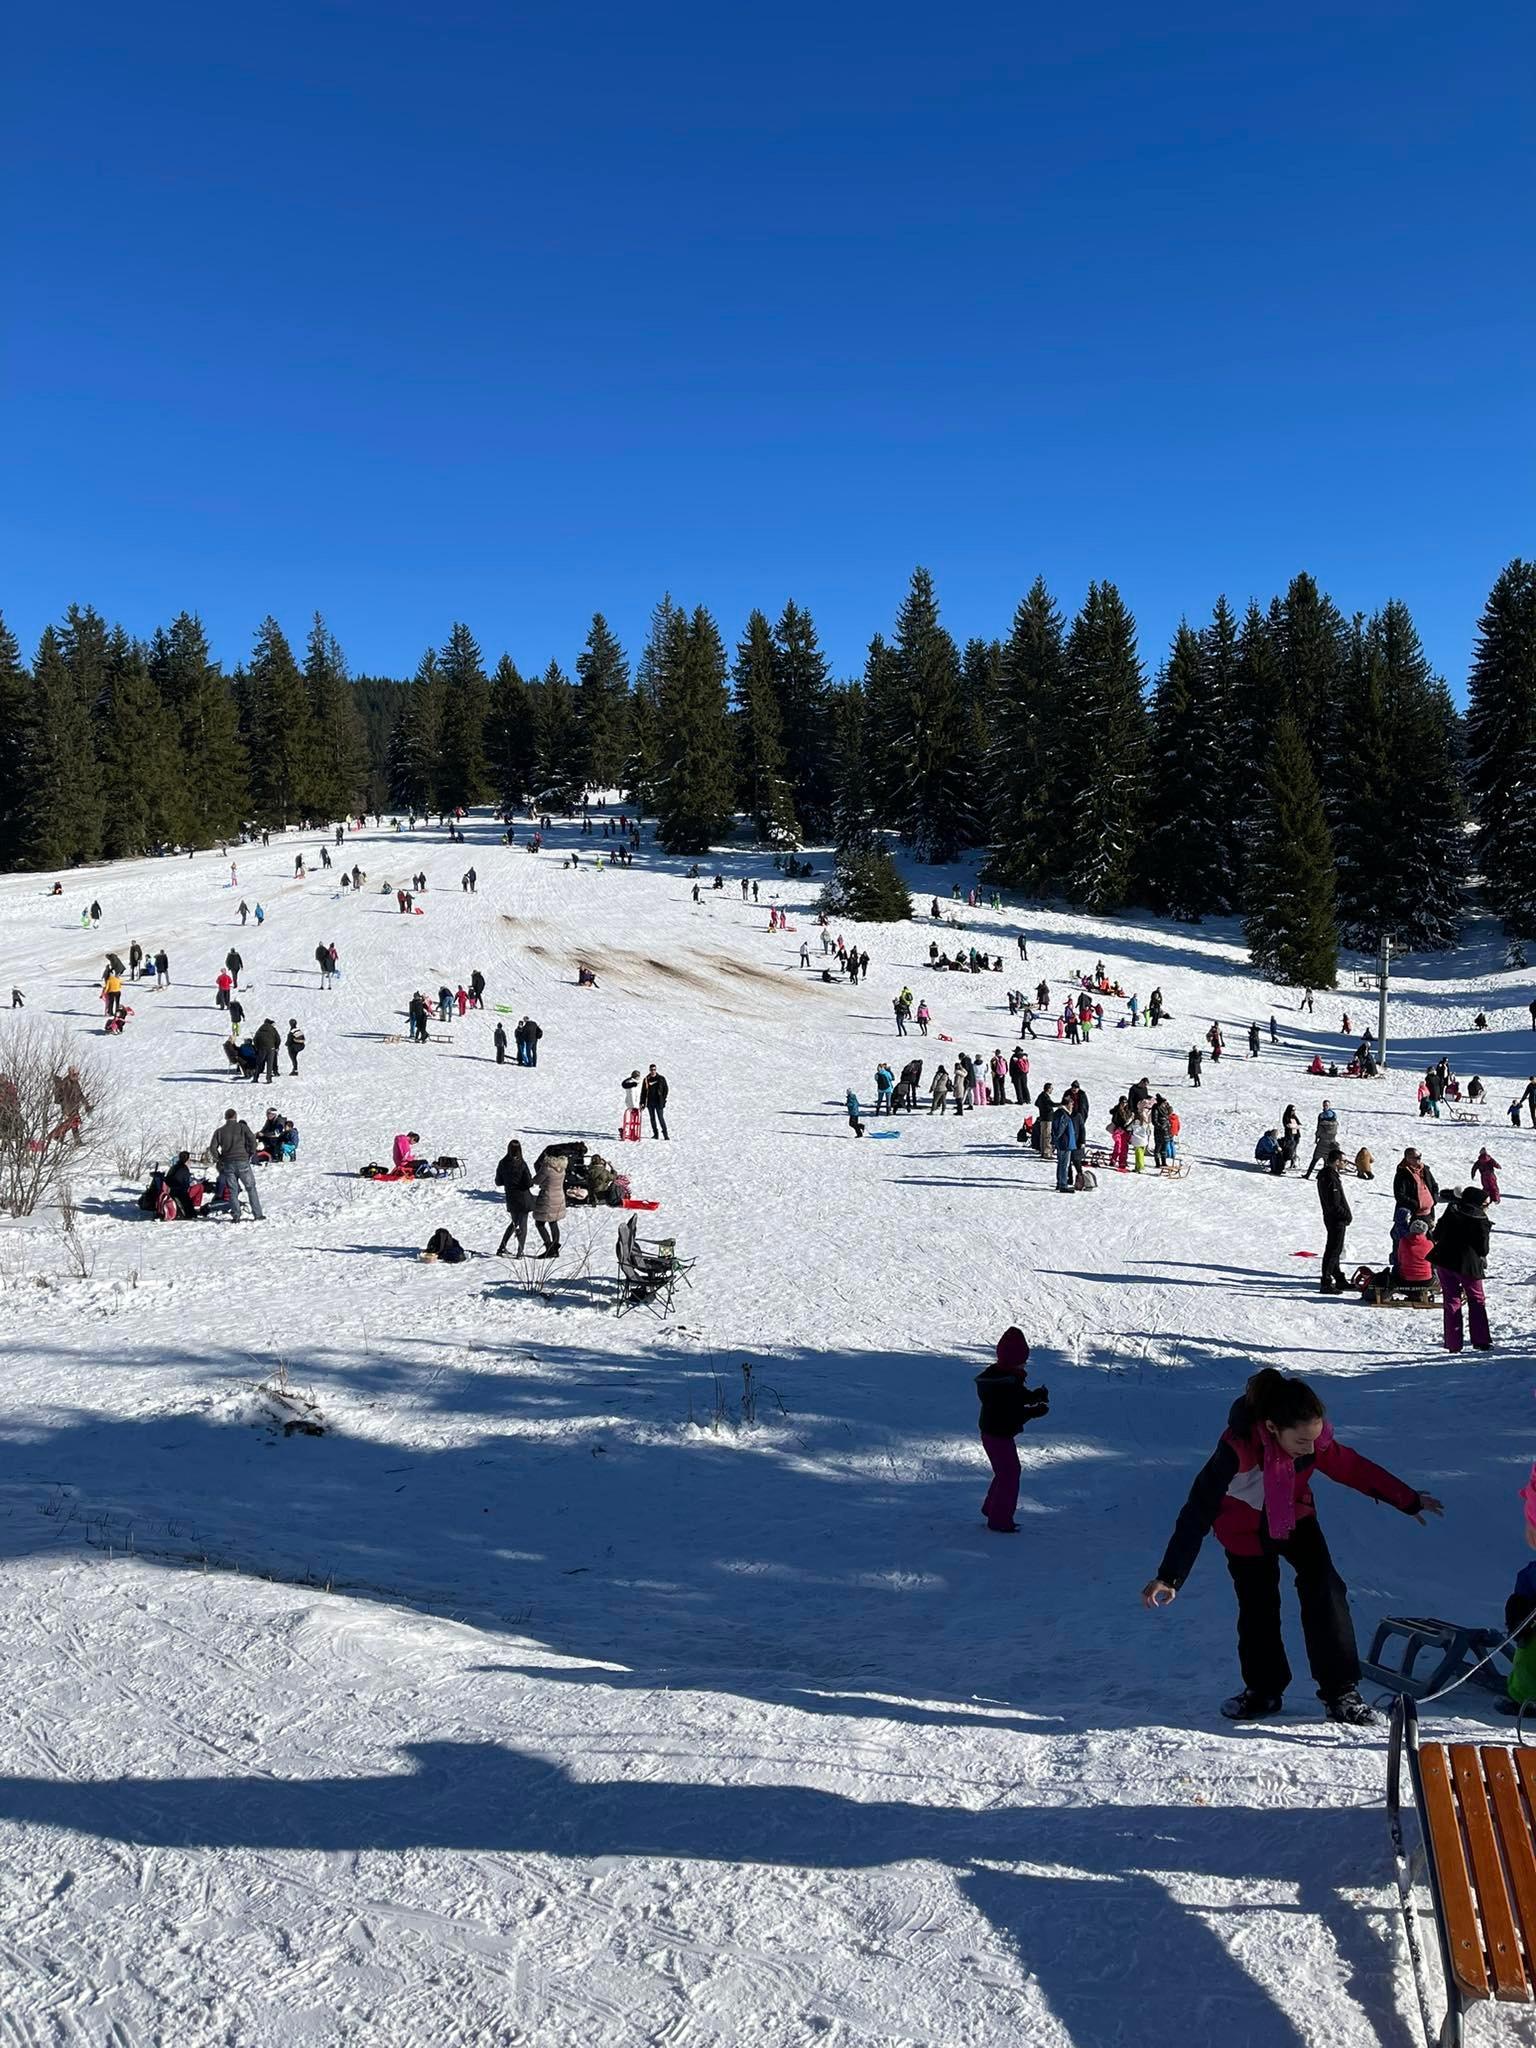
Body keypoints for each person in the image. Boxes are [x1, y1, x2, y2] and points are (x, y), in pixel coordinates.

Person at [1141, 1368, 1442, 1723]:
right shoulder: (1235, 1451)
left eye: (1315, 1439)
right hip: (1244, 1531)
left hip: (1295, 1518)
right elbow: (1197, 1512)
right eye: (1302, 1442)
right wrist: (1170, 1576)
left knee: (1326, 1589)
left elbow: (1353, 1467)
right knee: (1258, 1607)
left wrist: (1407, 1499)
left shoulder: (1310, 1441)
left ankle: (1340, 1692)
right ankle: (1263, 1691)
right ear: (1271, 1428)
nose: (1311, 1449)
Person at [975, 1327, 1050, 1533]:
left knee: (1005, 1471)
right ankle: (999, 1520)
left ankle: (992, 1509)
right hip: (998, 1434)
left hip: (994, 1433)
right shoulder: (1006, 1382)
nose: (1025, 1363)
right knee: (1010, 1473)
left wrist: (1035, 1396)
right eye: (1022, 1359)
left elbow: (1017, 1397)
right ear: (1014, 1360)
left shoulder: (1004, 1376)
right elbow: (1011, 1412)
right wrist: (1034, 1412)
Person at [1431, 1187, 1493, 1353]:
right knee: (1476, 1299)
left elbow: (1436, 1234)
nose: (1487, 1206)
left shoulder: (1452, 1209)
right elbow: (1483, 1249)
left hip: (1444, 1261)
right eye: (1486, 1203)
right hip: (1468, 1266)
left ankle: (1453, 1344)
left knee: (1451, 1300)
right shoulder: (1480, 1219)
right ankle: (1481, 1340)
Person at [210, 1108, 264, 1221]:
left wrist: (219, 1159)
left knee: (232, 1190)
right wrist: (250, 1152)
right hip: (242, 1161)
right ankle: (257, 1214)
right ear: (236, 1116)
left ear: (226, 1118)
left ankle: (236, 1215)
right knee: (250, 1187)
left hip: (228, 1163)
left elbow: (212, 1148)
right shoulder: (242, 1127)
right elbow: (252, 1139)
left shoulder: (219, 1131)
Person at [1316, 1146, 1351, 1292]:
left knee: (1335, 1249)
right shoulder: (1329, 1177)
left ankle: (1339, 1278)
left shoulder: (1329, 1175)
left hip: (1334, 1218)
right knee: (1333, 1250)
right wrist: (1345, 1215)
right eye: (1343, 1161)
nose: (1345, 1163)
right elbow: (1334, 1203)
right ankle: (1326, 1281)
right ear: (1336, 1162)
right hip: (1335, 1219)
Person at [495, 1139, 534, 1256]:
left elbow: (498, 1181)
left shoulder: (502, 1163)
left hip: (511, 1197)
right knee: (523, 1225)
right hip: (523, 1197)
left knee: (513, 1223)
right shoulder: (521, 1164)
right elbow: (528, 1182)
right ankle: (520, 1252)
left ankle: (501, 1247)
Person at [531, 1147, 566, 1258]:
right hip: (559, 1197)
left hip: (548, 1198)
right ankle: (555, 1248)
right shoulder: (562, 1168)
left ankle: (549, 1248)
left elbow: (536, 1180)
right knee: (553, 1222)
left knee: (539, 1223)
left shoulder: (547, 1168)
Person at [1302, 1102, 1338, 1178]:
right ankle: (1325, 1176)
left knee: (1315, 1159)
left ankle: (1308, 1174)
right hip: (1331, 1142)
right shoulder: (1335, 1119)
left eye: (1326, 1105)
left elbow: (1318, 1130)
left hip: (1322, 1143)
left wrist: (1316, 1137)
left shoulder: (1321, 1118)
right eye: (1325, 1105)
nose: (1325, 1106)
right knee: (1326, 1161)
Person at [1051, 1098, 1078, 1192]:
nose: (1072, 1106)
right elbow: (1059, 1130)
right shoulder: (1063, 1114)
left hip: (1063, 1143)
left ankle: (1060, 1183)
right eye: (1071, 1104)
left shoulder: (1060, 1113)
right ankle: (1063, 1185)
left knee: (1061, 1163)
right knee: (1064, 1164)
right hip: (1065, 1143)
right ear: (1067, 1104)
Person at [640, 1064, 670, 1140]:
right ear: (649, 1070)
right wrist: (642, 1102)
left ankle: (665, 1135)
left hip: (659, 1102)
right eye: (651, 1070)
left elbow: (666, 1089)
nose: (653, 1071)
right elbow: (643, 1092)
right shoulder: (646, 1079)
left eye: (654, 1069)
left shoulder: (661, 1078)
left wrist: (663, 1099)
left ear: (656, 1070)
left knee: (661, 1118)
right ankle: (655, 1134)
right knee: (652, 1118)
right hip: (650, 1103)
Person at [252, 1018, 281, 1084]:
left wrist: (257, 1048)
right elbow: (278, 1039)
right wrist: (276, 1047)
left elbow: (255, 1039)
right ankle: (269, 1079)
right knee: (270, 1064)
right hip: (271, 1049)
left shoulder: (260, 1029)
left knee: (259, 1063)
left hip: (262, 1049)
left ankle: (255, 1078)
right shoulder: (273, 1029)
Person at [620, 1072, 642, 1142]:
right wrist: (634, 1106)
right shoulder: (632, 1084)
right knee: (631, 1120)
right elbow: (631, 1095)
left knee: (633, 1120)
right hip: (632, 1105)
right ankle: (628, 1132)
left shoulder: (636, 1082)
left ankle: (631, 1132)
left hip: (635, 1104)